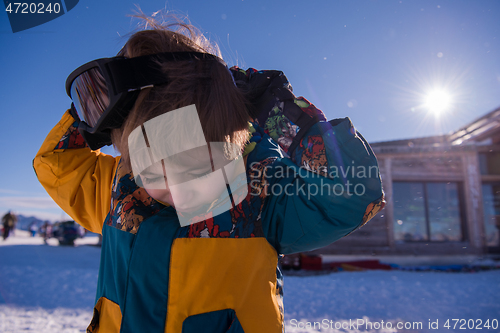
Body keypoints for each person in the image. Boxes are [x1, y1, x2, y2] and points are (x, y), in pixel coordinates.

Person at [33, 13, 385, 333]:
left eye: (192, 164)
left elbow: (352, 193)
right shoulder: (119, 190)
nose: (170, 187)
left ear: (226, 145)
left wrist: (279, 111)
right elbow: (56, 162)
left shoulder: (263, 193)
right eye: (151, 167)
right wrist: (97, 114)